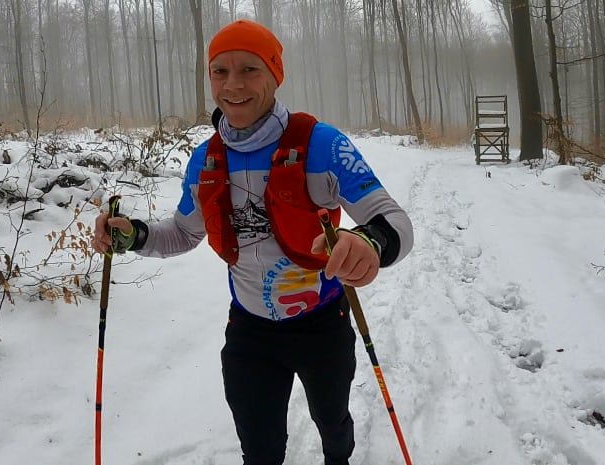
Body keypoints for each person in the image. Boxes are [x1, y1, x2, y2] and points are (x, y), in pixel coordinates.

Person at [91, 19, 413, 465]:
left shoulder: (320, 144)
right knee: (259, 448)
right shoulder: (205, 159)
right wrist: (133, 235)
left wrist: (370, 242)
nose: (233, 84)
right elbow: (184, 233)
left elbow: (393, 220)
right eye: (219, 71)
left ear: (275, 74)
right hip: (250, 332)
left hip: (322, 323)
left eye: (249, 69)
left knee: (332, 422)